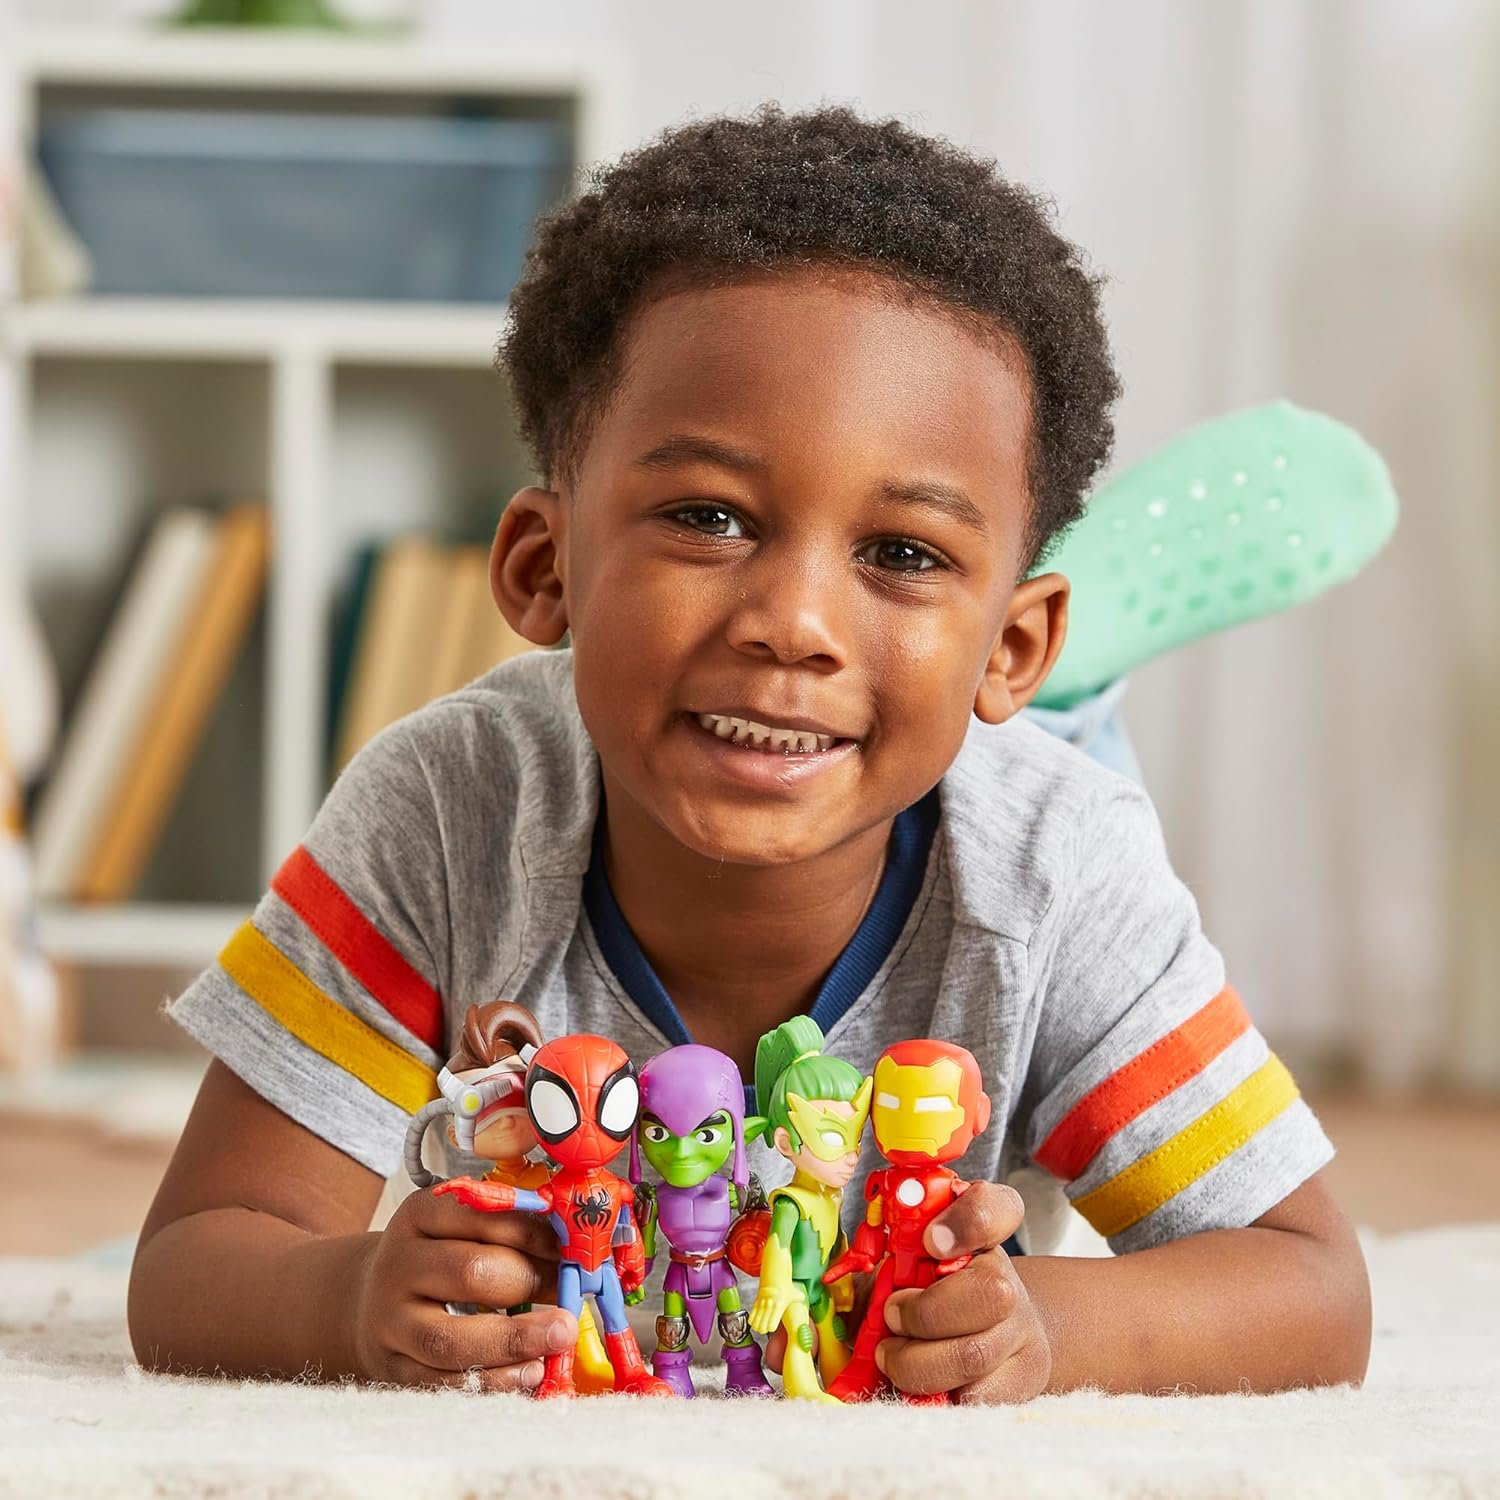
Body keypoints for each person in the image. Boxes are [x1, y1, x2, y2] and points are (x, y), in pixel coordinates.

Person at [129, 103, 1383, 1403]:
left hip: (994, 775)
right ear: (544, 569)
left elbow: (1311, 1288)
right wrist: (348, 1300)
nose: (792, 622)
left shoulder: (1059, 873)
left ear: (1012, 642)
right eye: (710, 519)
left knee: (1012, 759)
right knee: (881, 711)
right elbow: (197, 1259)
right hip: (883, 731)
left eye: (902, 551)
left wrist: (1054, 1331)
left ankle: (1069, 685)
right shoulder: (449, 810)